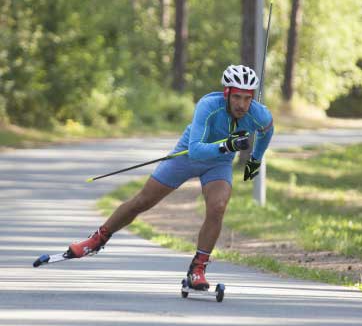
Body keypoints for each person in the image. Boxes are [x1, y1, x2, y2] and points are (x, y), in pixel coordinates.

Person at [68, 65, 274, 290]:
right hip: (185, 156)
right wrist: (228, 145)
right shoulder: (208, 106)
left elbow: (266, 131)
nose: (241, 104)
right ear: (226, 93)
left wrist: (255, 159)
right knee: (143, 201)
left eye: (246, 98)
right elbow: (196, 150)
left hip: (219, 164)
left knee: (218, 207)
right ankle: (97, 239)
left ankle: (198, 269)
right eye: (236, 97)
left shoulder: (259, 113)